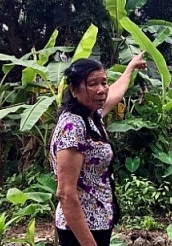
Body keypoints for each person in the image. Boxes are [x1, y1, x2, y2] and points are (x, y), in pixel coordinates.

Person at [50, 52, 147, 246]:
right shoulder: (73, 126)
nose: (102, 90)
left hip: (98, 223)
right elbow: (65, 193)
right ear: (74, 89)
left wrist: (130, 68)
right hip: (80, 230)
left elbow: (116, 91)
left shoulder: (92, 116)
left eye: (104, 82)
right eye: (93, 84)